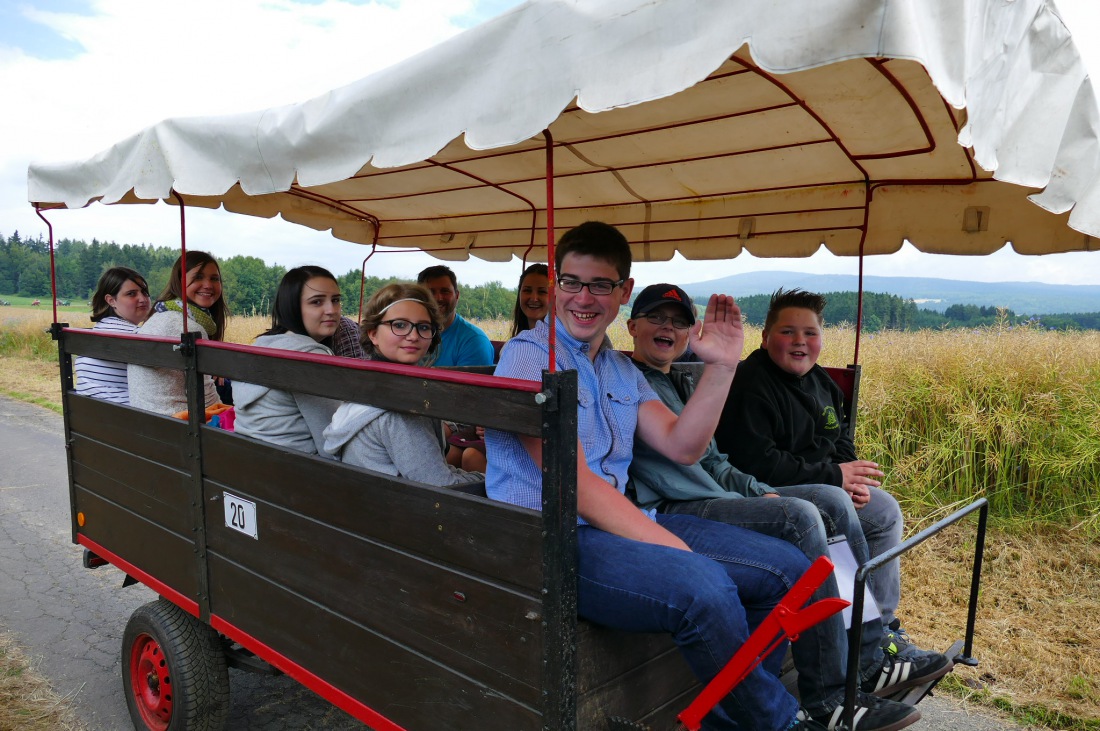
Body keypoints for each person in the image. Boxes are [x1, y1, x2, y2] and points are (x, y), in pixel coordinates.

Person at [484, 221, 918, 731]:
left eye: (600, 285)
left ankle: (729, 716)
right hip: (552, 537)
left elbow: (683, 446)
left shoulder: (619, 370)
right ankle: (779, 722)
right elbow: (575, 486)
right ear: (556, 284)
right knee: (704, 585)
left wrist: (723, 366)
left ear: (622, 292)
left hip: (618, 523)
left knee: (790, 569)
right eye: (571, 282)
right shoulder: (529, 358)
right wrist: (676, 551)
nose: (583, 297)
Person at [625, 283, 951, 719]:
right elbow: (699, 469)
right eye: (656, 318)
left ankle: (870, 647)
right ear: (630, 326)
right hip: (676, 507)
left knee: (843, 504)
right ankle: (831, 692)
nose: (667, 327)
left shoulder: (682, 382)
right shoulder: (631, 382)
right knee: (804, 513)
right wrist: (766, 494)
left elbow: (719, 461)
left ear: (690, 332)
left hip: (717, 493)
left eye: (678, 321)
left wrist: (761, 493)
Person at [716, 288, 907, 635]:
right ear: (765, 337)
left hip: (822, 482)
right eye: (787, 332)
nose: (798, 341)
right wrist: (835, 478)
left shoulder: (822, 382)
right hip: (764, 491)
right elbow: (757, 463)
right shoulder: (750, 384)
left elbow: (840, 439)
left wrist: (854, 481)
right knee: (835, 502)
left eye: (810, 333)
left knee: (884, 511)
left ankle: (884, 623)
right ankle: (859, 631)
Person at [323, 283, 484, 488]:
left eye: (424, 327)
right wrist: (488, 481)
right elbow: (439, 484)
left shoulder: (366, 387)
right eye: (399, 325)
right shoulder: (398, 408)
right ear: (372, 333)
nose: (414, 335)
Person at [233, 266, 344, 456]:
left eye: (335, 300)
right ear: (292, 307)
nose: (331, 310)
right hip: (298, 472)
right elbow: (332, 441)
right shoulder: (310, 358)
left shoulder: (262, 345)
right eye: (316, 302)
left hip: (248, 462)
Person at [128, 251, 227, 416]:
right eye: (198, 277)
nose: (208, 284)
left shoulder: (157, 316)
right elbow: (207, 401)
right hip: (178, 424)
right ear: (179, 281)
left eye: (214, 278)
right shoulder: (190, 328)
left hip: (145, 419)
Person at [74, 267, 151, 404]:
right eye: (132, 294)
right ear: (111, 300)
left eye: (145, 292)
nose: (143, 299)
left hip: (88, 415)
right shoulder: (139, 336)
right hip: (134, 418)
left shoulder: (90, 335)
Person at [416, 265, 494, 367]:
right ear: (418, 297)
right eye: (430, 292)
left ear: (457, 296)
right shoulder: (407, 335)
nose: (438, 298)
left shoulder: (473, 341)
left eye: (445, 291)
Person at [509, 262, 550, 337]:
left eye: (542, 292)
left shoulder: (560, 342)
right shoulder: (517, 341)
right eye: (527, 290)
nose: (534, 298)